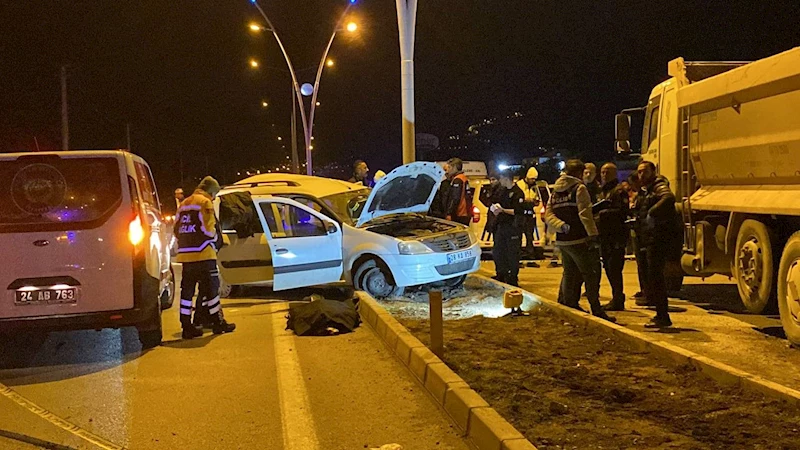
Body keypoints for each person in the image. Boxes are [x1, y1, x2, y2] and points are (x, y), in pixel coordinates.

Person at [545, 159, 616, 322]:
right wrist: (593, 235)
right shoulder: (579, 188)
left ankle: (570, 306)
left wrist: (562, 226)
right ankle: (596, 309)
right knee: (591, 273)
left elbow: (549, 215)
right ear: (578, 173)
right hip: (579, 239)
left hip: (563, 241)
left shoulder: (555, 192)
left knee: (569, 274)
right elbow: (585, 214)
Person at [174, 176, 236, 339]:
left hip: (186, 257)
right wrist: (216, 241)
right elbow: (209, 230)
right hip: (204, 255)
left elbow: (176, 230)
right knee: (211, 290)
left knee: (187, 293)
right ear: (210, 191)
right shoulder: (205, 203)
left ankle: (187, 327)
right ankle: (217, 323)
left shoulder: (184, 204)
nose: (214, 197)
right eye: (214, 194)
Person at [636, 161, 681, 328]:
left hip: (659, 238)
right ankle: (660, 314)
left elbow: (668, 197)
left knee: (656, 277)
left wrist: (651, 213)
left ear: (653, 171)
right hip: (651, 238)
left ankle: (662, 316)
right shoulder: (646, 190)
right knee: (653, 277)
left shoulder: (658, 185)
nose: (641, 175)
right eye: (639, 172)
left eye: (645, 171)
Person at [596, 163, 629, 311]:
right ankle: (616, 297)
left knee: (615, 269)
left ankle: (618, 298)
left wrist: (601, 213)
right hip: (605, 236)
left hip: (616, 236)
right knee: (609, 268)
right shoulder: (603, 191)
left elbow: (622, 212)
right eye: (602, 172)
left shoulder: (619, 191)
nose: (604, 175)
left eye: (607, 172)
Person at [490, 170, 524, 286]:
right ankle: (501, 273)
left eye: (501, 178)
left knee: (512, 253)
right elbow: (496, 202)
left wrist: (503, 210)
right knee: (498, 251)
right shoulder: (502, 191)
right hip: (501, 225)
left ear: (507, 179)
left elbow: (518, 211)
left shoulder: (517, 192)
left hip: (513, 226)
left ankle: (512, 277)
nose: (500, 181)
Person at [516, 167, 541, 267]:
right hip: (521, 214)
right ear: (527, 177)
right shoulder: (519, 185)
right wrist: (527, 200)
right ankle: (517, 259)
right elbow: (518, 200)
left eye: (535, 179)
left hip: (530, 214)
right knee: (518, 238)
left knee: (530, 237)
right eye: (532, 179)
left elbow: (537, 198)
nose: (533, 181)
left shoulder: (534, 187)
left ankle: (530, 258)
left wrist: (534, 201)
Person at [443, 158, 472, 225]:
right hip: (465, 213)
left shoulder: (457, 180)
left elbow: (455, 198)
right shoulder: (463, 178)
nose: (448, 170)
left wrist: (449, 213)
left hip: (459, 214)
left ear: (454, 168)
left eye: (449, 167)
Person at [479, 174, 500, 241]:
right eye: (490, 180)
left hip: (499, 218)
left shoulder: (500, 190)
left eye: (493, 180)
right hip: (492, 217)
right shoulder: (491, 190)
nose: (491, 182)